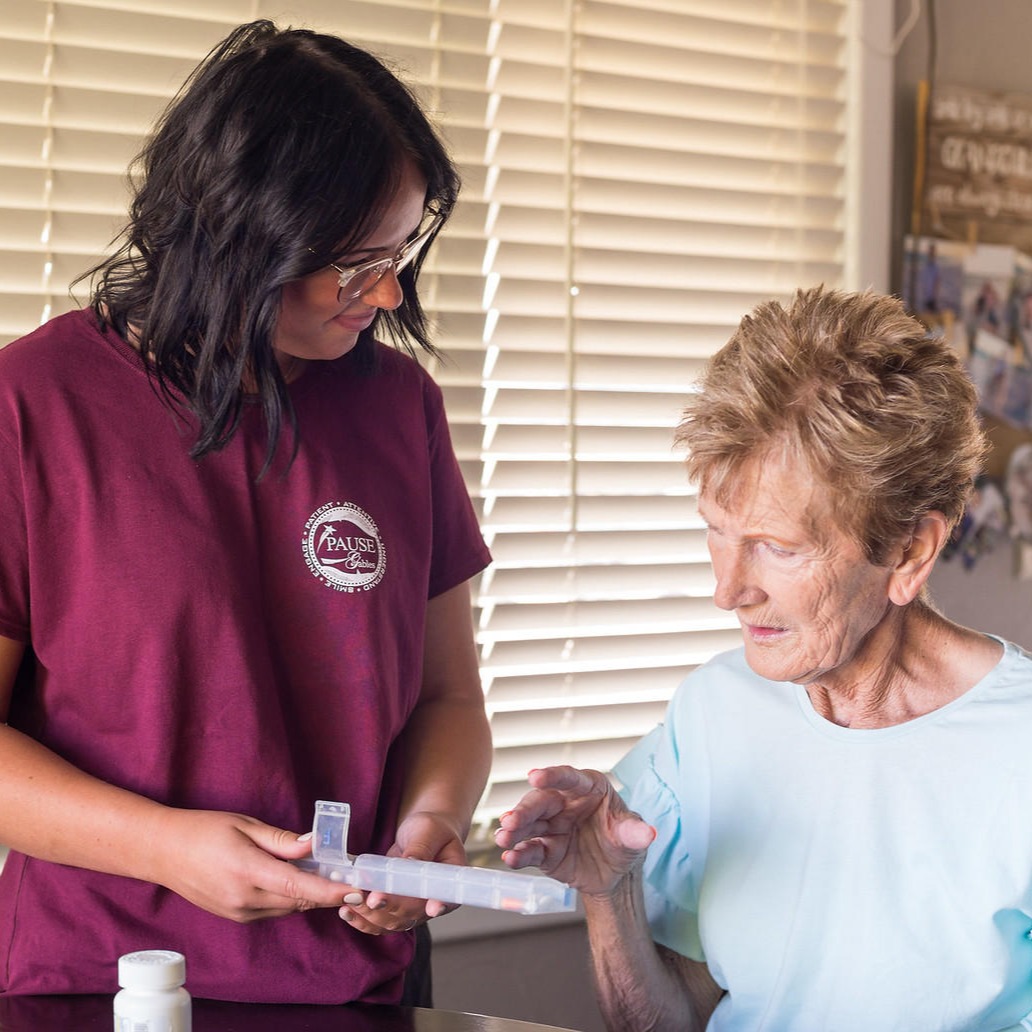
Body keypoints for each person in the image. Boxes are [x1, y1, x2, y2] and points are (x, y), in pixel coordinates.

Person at [0, 20, 492, 1005]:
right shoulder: (31, 407)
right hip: (101, 987)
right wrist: (167, 849)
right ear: (235, 239)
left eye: (400, 251)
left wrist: (429, 827)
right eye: (353, 263)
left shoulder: (400, 408)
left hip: (357, 990)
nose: (388, 292)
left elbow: (448, 699)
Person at [496, 286, 1032, 1031]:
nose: (727, 591)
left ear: (910, 551)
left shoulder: (1020, 746)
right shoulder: (715, 710)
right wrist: (606, 893)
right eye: (717, 531)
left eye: (779, 548)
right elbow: (672, 1018)